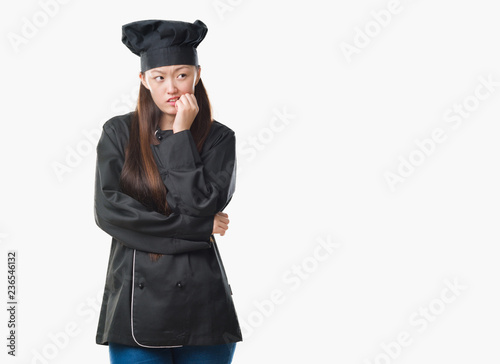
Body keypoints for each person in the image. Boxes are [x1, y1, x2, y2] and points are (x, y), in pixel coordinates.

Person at [93, 19, 242, 364]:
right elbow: (112, 212)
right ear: (144, 81)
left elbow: (204, 203)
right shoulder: (118, 132)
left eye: (181, 75)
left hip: (205, 307)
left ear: (197, 74)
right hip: (135, 307)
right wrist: (199, 228)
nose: (172, 87)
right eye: (159, 77)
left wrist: (181, 135)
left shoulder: (220, 138)